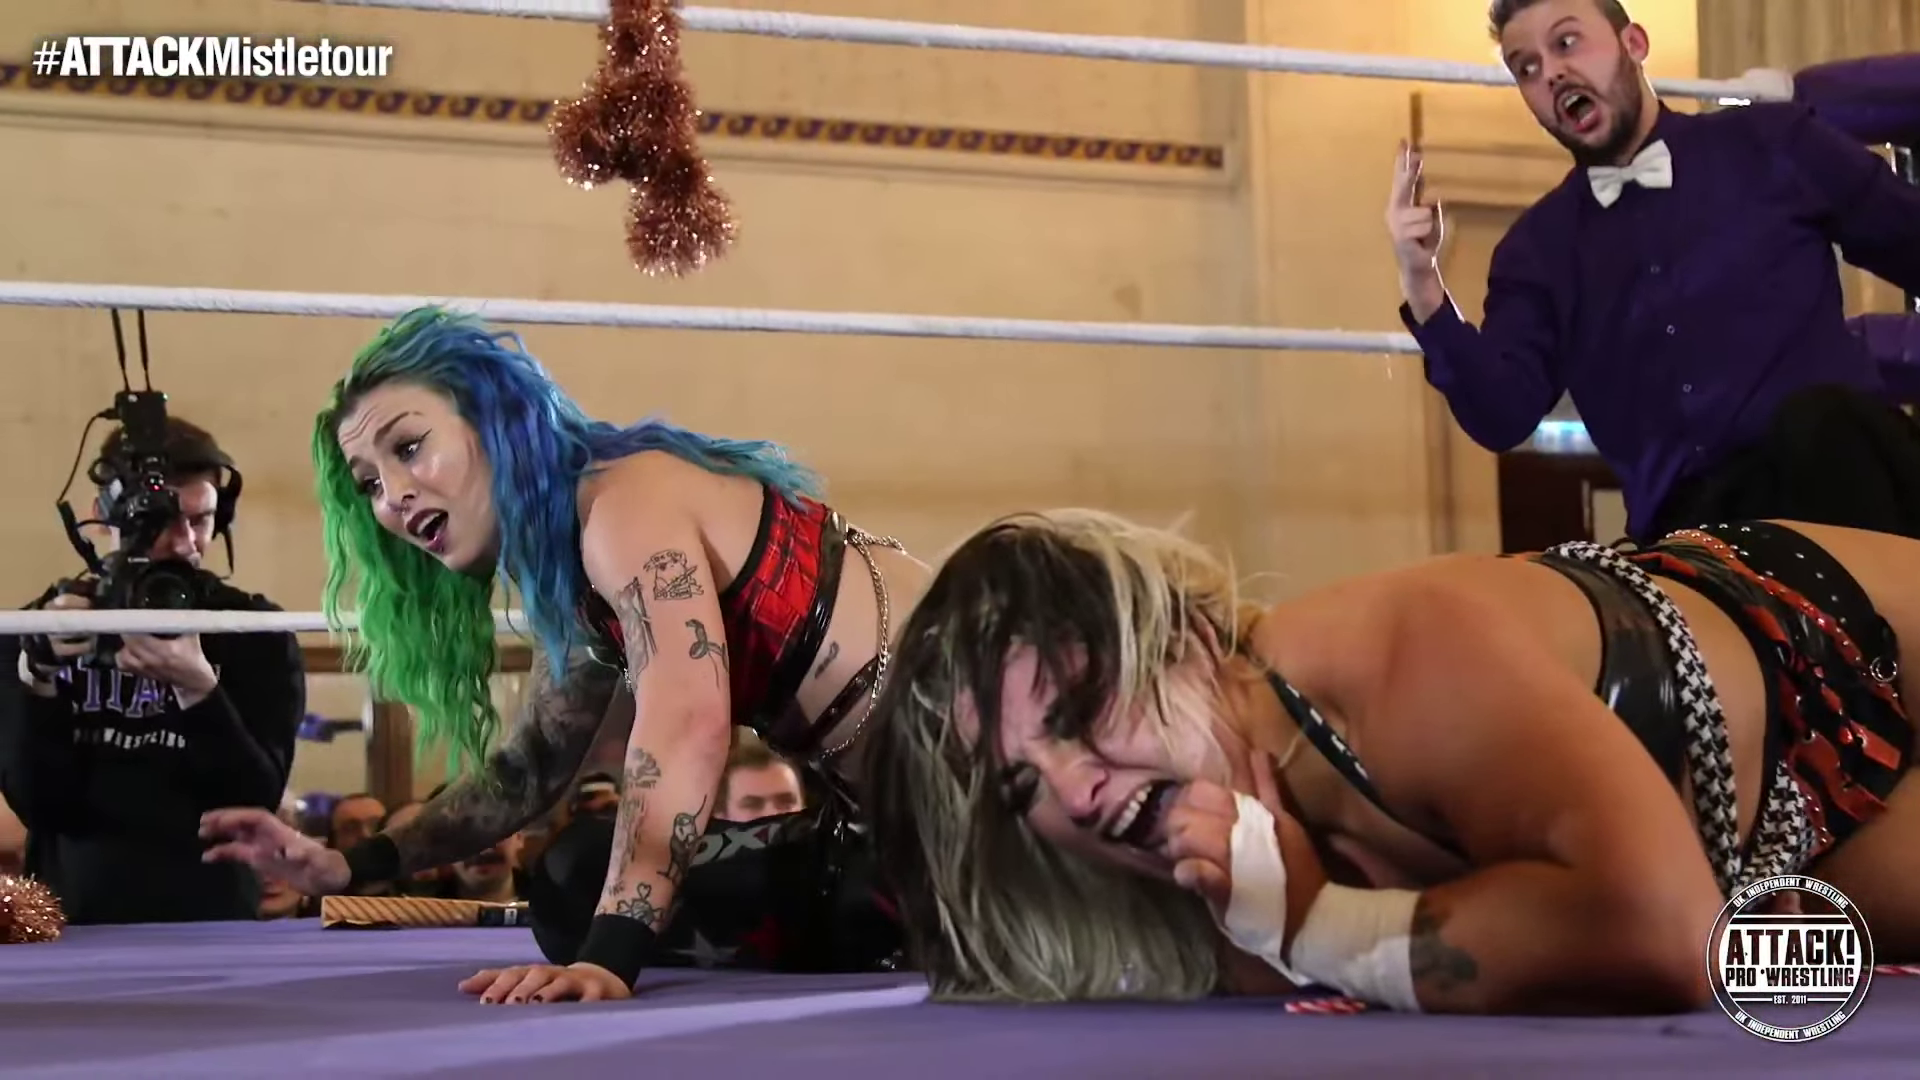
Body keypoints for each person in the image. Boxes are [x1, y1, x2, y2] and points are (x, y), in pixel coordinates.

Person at [860, 508, 1920, 1014]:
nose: (1076, 789)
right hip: (1765, 841)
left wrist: (1325, 926)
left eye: (1080, 713)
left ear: (1181, 641)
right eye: (1022, 785)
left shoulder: (1395, 659)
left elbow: (1670, 943)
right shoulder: (1221, 885)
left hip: (1840, 632)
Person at [198, 308, 927, 1002]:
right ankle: (933, 927)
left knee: (599, 898)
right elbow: (534, 763)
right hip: (890, 837)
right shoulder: (575, 566)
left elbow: (686, 721)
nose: (395, 496)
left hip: (969, 808)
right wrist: (349, 863)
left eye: (410, 447)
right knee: (572, 877)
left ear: (494, 419)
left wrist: (609, 960)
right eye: (370, 484)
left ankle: (957, 919)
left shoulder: (623, 504)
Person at [1393, 0, 1920, 542]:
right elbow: (1501, 414)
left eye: (1567, 43)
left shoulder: (1775, 143)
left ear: (1634, 44)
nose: (1550, 73)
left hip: (1843, 494)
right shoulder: (1536, 252)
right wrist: (1424, 285)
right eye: (1526, 68)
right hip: (1692, 539)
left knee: (1822, 422)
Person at [0, 417, 304, 923]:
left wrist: (200, 690)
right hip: (73, 919)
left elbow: (254, 801)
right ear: (102, 516)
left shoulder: (253, 630)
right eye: (162, 522)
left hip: (215, 921)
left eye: (202, 521)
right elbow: (39, 805)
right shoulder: (38, 631)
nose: (185, 544)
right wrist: (39, 680)